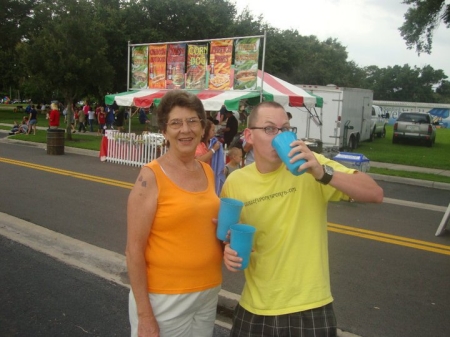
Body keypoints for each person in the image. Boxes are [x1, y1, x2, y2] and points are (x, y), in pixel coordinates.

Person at [222, 101, 384, 337]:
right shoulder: (235, 182)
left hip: (310, 308)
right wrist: (227, 250)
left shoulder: (312, 166)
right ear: (249, 135)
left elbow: (375, 193)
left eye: (285, 129)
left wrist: (321, 172)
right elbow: (228, 237)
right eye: (269, 129)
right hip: (254, 307)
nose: (280, 135)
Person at [126, 90, 222, 337]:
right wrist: (145, 315)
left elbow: (202, 228)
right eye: (176, 123)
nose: (185, 129)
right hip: (165, 298)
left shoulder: (207, 171)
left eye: (192, 121)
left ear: (202, 127)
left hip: (208, 292)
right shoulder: (151, 176)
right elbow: (133, 250)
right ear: (164, 131)